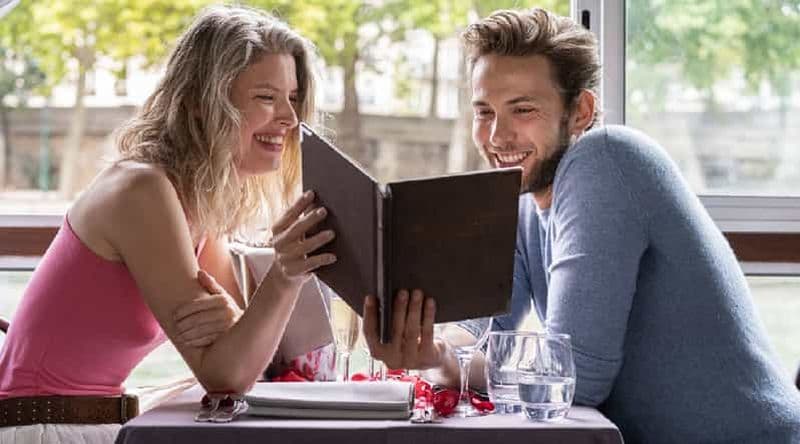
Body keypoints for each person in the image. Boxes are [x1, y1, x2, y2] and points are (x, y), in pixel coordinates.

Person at [363, 8, 800, 443]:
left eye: (523, 110)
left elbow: (576, 376)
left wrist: (447, 357)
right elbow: (478, 336)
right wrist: (427, 350)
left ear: (580, 112)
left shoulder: (606, 159)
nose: (497, 136)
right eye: (484, 111)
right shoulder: (522, 204)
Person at [0, 5, 336, 442]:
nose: (290, 119)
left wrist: (235, 318)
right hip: (42, 430)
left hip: (93, 420)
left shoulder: (196, 202)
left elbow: (237, 354)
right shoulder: (142, 190)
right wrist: (286, 274)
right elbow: (227, 374)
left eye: (292, 98)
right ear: (201, 104)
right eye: (267, 98)